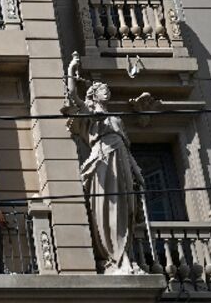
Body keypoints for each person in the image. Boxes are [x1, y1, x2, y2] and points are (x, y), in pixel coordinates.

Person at [63, 53, 149, 275]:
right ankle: (117, 257)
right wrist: (72, 70)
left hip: (120, 157)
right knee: (112, 207)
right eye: (102, 88)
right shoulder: (90, 112)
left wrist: (137, 171)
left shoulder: (116, 119)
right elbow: (72, 95)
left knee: (127, 206)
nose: (106, 90)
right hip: (103, 158)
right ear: (93, 93)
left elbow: (126, 147)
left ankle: (125, 254)